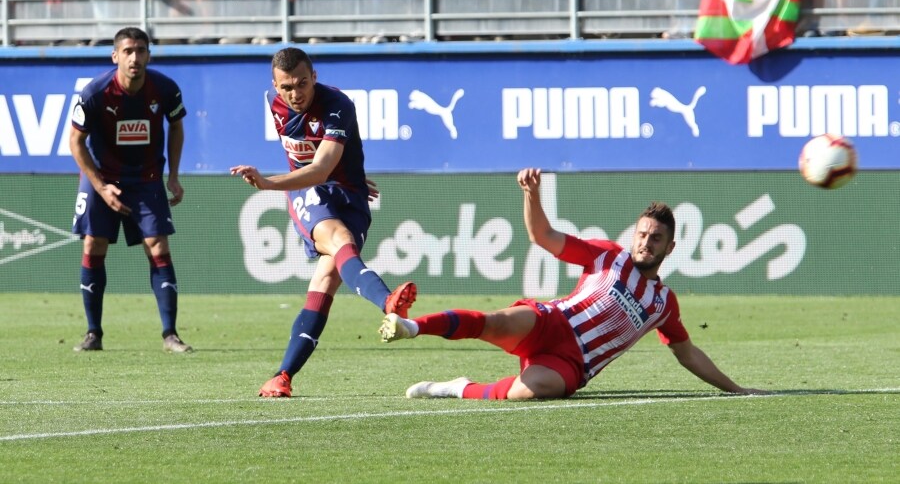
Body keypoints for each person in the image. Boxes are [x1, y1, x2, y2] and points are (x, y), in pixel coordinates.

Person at [380, 168, 767, 401]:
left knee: (528, 392)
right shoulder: (607, 255)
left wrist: (736, 389)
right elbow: (543, 236)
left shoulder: (663, 303)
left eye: (656, 239)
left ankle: (455, 387)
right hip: (551, 321)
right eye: (643, 234)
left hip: (571, 364)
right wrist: (532, 195)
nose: (646, 243)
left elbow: (688, 353)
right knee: (495, 321)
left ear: (670, 247)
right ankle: (412, 326)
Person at [230, 47, 417, 397]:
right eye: (286, 87)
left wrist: (271, 183)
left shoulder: (337, 105)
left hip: (349, 196)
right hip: (307, 191)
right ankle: (388, 302)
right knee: (339, 239)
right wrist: (299, 182)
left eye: (302, 83)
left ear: (314, 77)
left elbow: (322, 165)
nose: (295, 93)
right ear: (275, 85)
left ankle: (282, 376)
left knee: (327, 279)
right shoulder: (276, 106)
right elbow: (310, 168)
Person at [69, 27, 192, 354]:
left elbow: (177, 126)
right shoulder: (95, 93)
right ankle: (93, 333)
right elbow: (75, 141)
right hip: (102, 177)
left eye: (140, 50)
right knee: (94, 244)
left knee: (157, 245)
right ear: (115, 56)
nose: (134, 57)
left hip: (147, 178)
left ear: (148, 55)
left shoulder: (165, 89)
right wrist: (100, 186)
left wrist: (174, 176)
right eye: (128, 51)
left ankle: (170, 335)